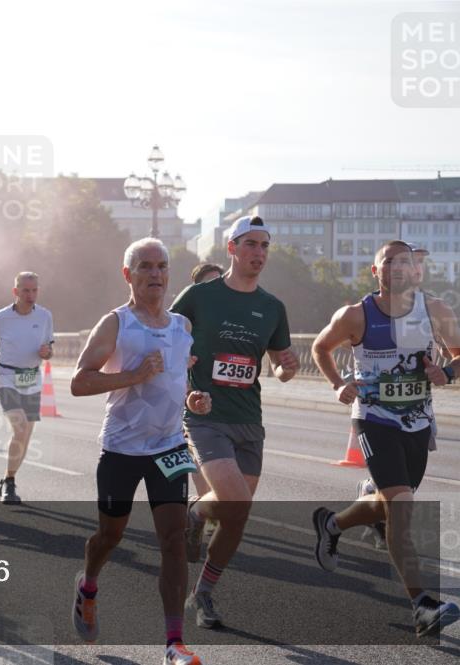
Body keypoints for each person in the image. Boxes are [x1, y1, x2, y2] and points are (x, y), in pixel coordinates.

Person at [70, 238, 209, 664]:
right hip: (122, 449)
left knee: (173, 538)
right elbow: (79, 382)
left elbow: (176, 384)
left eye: (162, 266)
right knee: (111, 535)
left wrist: (192, 400)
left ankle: (173, 644)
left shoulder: (182, 327)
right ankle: (88, 585)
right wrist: (131, 375)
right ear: (128, 274)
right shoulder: (115, 324)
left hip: (168, 446)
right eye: (145, 266)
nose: (155, 274)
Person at [310, 240, 460, 636]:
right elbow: (320, 347)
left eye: (405, 263)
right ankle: (422, 605)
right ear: (375, 272)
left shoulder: (435, 311)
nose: (397, 268)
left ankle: (332, 525)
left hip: (418, 422)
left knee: (389, 504)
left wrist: (447, 373)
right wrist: (337, 384)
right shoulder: (356, 315)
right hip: (375, 419)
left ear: (415, 271)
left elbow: (459, 354)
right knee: (402, 507)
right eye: (388, 262)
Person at [169, 215, 299, 629]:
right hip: (206, 416)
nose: (259, 253)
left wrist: (288, 368)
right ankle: (195, 524)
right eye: (251, 245)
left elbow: (278, 367)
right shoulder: (199, 296)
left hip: (249, 420)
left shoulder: (272, 307)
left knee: (235, 514)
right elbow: (164, 335)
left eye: (264, 246)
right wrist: (182, 370)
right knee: (237, 502)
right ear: (231, 248)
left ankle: (203, 589)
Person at [0, 272, 54, 504]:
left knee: (26, 435)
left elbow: (49, 348)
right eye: (26, 290)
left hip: (32, 379)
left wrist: (47, 353)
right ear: (15, 292)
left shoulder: (45, 315)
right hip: (7, 377)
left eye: (34, 290)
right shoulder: (1, 317)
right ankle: (10, 484)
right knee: (19, 429)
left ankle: (8, 477)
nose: (30, 295)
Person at [185, 263, 225, 535]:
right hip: (194, 398)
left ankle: (200, 509)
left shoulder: (233, 318)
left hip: (227, 400)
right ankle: (204, 510)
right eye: (212, 284)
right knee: (201, 457)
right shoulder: (185, 321)